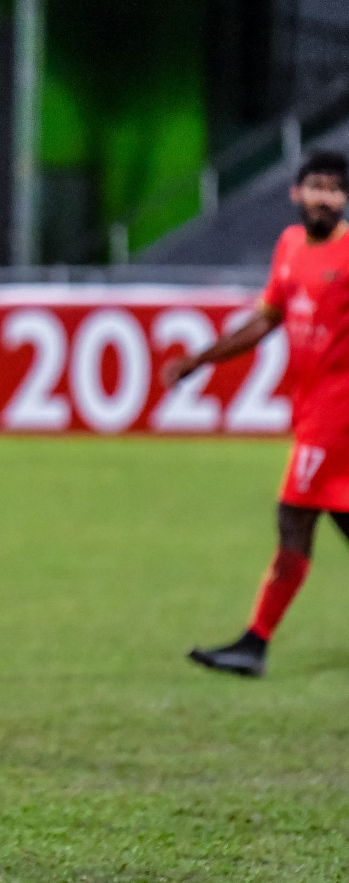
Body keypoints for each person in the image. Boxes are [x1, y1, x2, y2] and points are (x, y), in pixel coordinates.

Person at [162, 149, 349, 677]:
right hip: (312, 412)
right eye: (316, 186)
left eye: (335, 189)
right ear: (296, 193)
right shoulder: (289, 247)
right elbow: (266, 318)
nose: (325, 197)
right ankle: (253, 645)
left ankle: (254, 644)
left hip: (337, 420)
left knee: (294, 516)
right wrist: (200, 360)